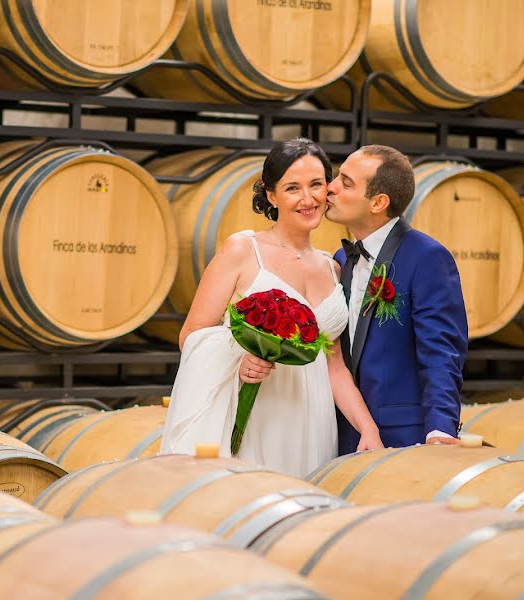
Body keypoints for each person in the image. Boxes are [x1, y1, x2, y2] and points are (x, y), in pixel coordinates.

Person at [160, 138, 383, 478]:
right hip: (257, 410)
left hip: (310, 417)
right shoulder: (242, 249)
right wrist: (239, 361)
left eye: (316, 185)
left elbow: (334, 367)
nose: (307, 199)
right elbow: (191, 334)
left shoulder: (332, 268)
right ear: (271, 194)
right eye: (292, 188)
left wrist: (367, 427)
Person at [324, 145, 468, 454]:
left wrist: (440, 428)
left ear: (378, 202)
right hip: (341, 432)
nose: (330, 187)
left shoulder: (427, 257)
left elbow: (441, 352)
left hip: (403, 439)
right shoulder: (341, 258)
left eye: (346, 183)